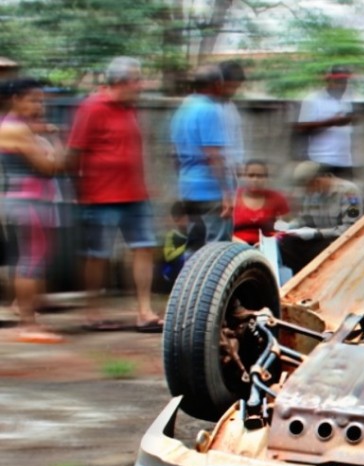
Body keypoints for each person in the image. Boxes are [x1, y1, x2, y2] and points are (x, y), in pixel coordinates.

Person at [67, 56, 163, 332]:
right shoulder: (92, 107)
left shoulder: (129, 108)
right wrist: (79, 192)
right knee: (97, 255)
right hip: (100, 196)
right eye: (137, 80)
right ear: (121, 82)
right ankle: (92, 312)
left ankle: (144, 312)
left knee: (144, 248)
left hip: (135, 194)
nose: (141, 85)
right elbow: (75, 151)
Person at [0, 77, 64, 342]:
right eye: (34, 100)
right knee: (32, 261)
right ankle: (27, 323)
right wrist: (56, 142)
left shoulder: (14, 126)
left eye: (41, 101)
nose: (40, 106)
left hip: (22, 201)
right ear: (16, 100)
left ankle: (25, 312)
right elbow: (50, 168)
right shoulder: (16, 129)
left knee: (28, 260)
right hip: (29, 203)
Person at [170, 64, 233, 243]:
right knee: (217, 248)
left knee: (194, 243)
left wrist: (182, 183)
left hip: (187, 186)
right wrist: (226, 192)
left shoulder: (182, 110)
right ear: (216, 84)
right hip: (209, 189)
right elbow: (213, 153)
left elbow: (174, 153)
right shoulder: (209, 110)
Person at [278, 161, 363, 275]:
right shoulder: (313, 194)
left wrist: (317, 233)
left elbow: (351, 228)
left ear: (317, 181)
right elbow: (307, 218)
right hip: (317, 240)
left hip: (339, 240)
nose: (308, 192)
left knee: (322, 249)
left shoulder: (349, 192)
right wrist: (291, 225)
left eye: (308, 187)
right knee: (286, 243)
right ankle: (299, 275)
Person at [295, 65, 357, 180]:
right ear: (328, 81)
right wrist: (331, 122)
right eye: (338, 82)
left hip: (345, 162)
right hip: (321, 162)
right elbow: (302, 127)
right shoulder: (313, 99)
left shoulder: (346, 100)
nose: (342, 86)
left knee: (349, 196)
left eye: (344, 82)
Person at [232, 159, 290, 245]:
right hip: (235, 246)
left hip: (268, 246)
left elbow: (286, 228)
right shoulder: (232, 198)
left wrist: (269, 241)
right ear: (243, 177)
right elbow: (223, 230)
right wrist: (238, 242)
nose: (255, 179)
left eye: (260, 176)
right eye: (251, 175)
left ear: (266, 178)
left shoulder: (277, 198)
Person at [218, 60, 247, 188]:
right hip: (212, 176)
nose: (232, 92)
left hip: (231, 175)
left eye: (236, 88)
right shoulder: (203, 108)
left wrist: (239, 165)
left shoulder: (231, 108)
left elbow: (237, 140)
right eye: (229, 87)